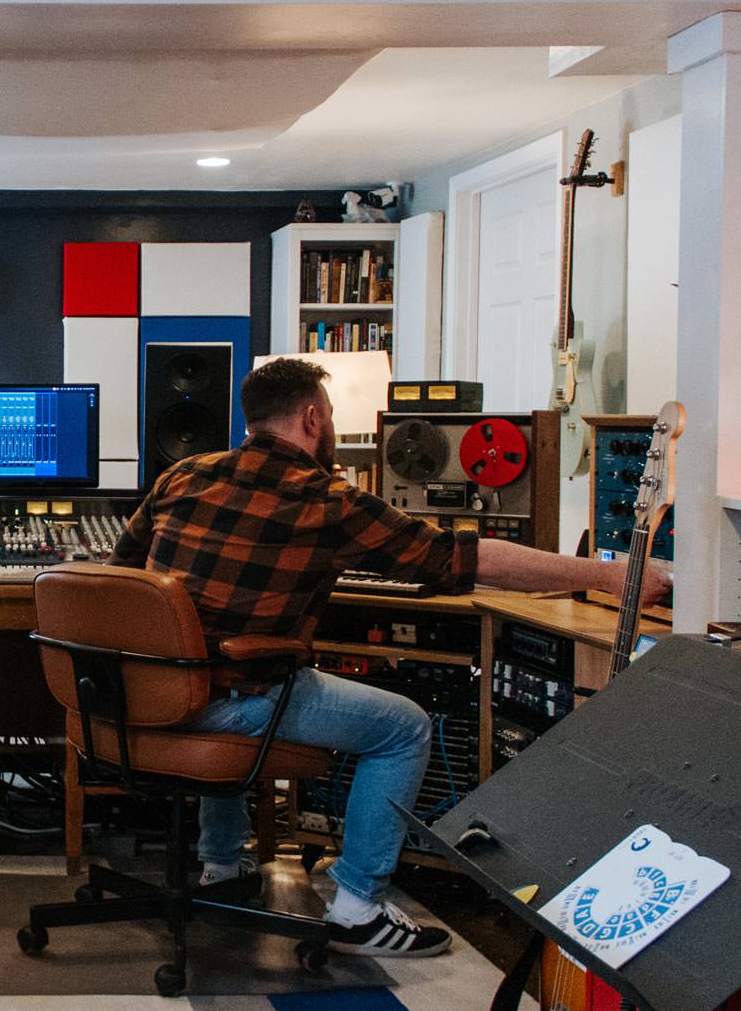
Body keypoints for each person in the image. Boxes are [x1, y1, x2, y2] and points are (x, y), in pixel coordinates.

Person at [108, 357, 670, 958]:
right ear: (311, 417)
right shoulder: (327, 500)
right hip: (234, 701)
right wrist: (609, 576)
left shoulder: (183, 476)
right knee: (402, 726)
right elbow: (468, 559)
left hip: (146, 691)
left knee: (228, 666)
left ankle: (221, 867)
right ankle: (357, 909)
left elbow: (122, 575)